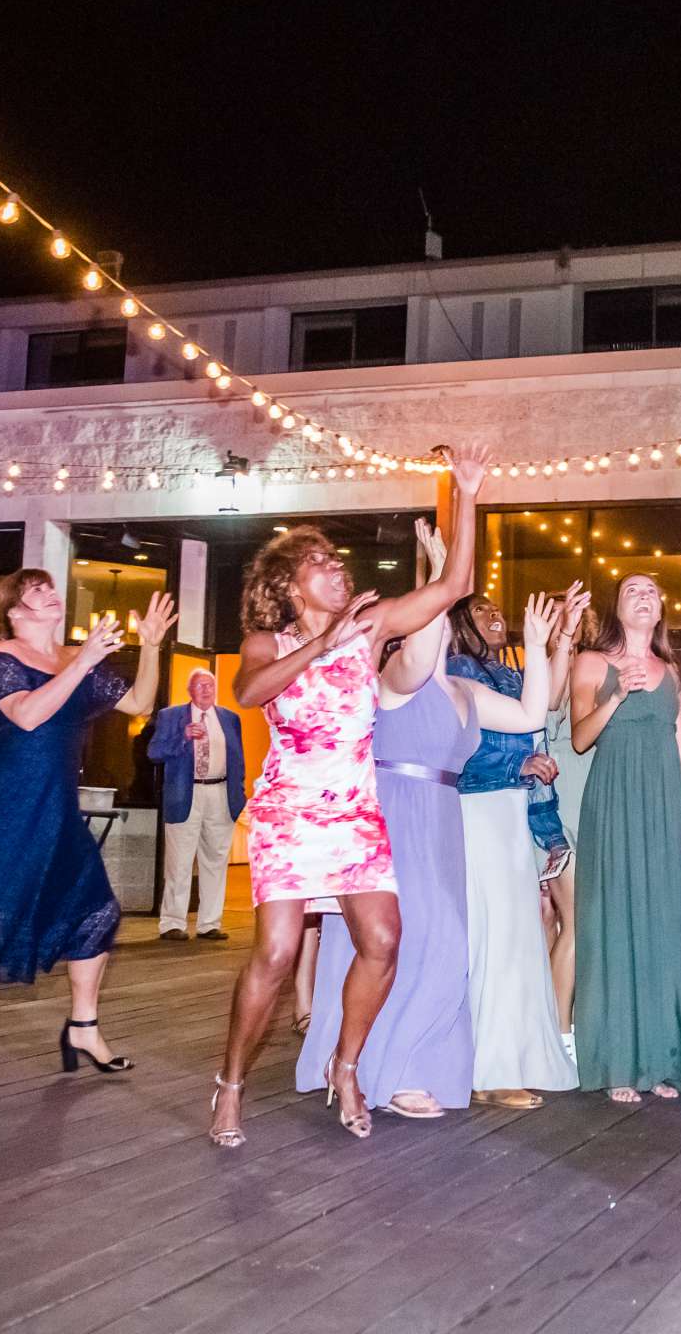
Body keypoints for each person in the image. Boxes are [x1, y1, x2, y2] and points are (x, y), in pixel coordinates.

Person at [209, 444, 488, 1147]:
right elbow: (250, 693)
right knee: (274, 955)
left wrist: (467, 494)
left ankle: (348, 1062)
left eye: (339, 562)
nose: (339, 570)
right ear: (291, 585)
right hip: (289, 811)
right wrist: (326, 640)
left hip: (354, 811)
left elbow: (453, 585)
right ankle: (231, 1082)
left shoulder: (369, 629)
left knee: (384, 939)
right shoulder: (266, 642)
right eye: (322, 565)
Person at [0, 571, 176, 1110]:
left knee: (95, 912)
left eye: (52, 589)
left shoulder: (76, 657)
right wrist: (83, 662)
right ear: (14, 611)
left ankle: (83, 1026)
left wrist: (149, 646)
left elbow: (141, 703)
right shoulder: (1, 659)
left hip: (56, 810)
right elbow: (27, 716)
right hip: (4, 808)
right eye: (38, 592)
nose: (52, 595)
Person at [304, 574, 566, 1113]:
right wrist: (442, 575)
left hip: (444, 816)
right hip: (396, 812)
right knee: (409, 939)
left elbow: (530, 715)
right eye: (437, 613)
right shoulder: (398, 675)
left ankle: (415, 1059)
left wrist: (537, 645)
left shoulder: (465, 690)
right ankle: (387, 1069)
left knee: (448, 942)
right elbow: (424, 641)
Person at [570, 572, 681, 1103]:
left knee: (664, 926)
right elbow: (579, 738)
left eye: (652, 593)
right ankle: (618, 1063)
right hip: (613, 803)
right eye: (632, 590)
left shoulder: (673, 674)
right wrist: (616, 696)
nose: (644, 596)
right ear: (618, 606)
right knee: (615, 926)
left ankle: (658, 1058)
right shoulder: (592, 663)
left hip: (661, 807)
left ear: (660, 612)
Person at [445, 583, 587, 1104]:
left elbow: (544, 702)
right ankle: (489, 1070)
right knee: (495, 936)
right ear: (460, 626)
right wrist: (518, 762)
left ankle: (514, 1056)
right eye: (480, 610)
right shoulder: (457, 672)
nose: (494, 613)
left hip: (511, 810)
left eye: (495, 606)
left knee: (515, 936)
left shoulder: (503, 673)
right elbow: (466, 746)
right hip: (478, 807)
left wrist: (561, 633)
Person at [146, 670, 246, 941]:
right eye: (200, 685)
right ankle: (172, 923)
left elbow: (238, 759)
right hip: (186, 794)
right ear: (190, 690)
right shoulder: (171, 716)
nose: (206, 690)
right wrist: (183, 737)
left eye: (210, 685)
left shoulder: (229, 719)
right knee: (179, 862)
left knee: (215, 861)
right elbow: (154, 752)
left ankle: (210, 923)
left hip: (220, 793)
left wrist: (240, 794)